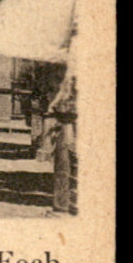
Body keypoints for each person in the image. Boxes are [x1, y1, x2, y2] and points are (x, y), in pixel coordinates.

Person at [47, 65, 77, 215]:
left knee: (64, 162)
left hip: (69, 117)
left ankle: (62, 205)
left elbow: (64, 88)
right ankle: (69, 203)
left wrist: (54, 104)